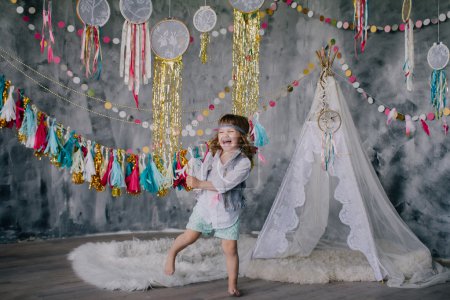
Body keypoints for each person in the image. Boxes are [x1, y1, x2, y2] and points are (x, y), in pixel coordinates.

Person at [164, 114, 255, 297]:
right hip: (206, 205)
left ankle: (232, 284)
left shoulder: (243, 162)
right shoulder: (213, 154)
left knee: (230, 248)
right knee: (190, 236)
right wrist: (193, 169)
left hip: (227, 209)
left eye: (230, 131)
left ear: (241, 137)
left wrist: (199, 184)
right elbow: (202, 173)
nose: (225, 135)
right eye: (221, 132)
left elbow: (225, 185)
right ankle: (172, 253)